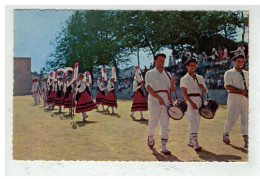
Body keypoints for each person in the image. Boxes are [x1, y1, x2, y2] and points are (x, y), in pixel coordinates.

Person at [145, 53, 176, 155]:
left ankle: (164, 146)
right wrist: (158, 98)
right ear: (155, 61)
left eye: (163, 60)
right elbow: (148, 88)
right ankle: (150, 136)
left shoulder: (167, 74)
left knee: (165, 122)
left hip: (166, 99)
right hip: (154, 99)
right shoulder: (149, 73)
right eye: (160, 60)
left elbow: (172, 89)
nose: (162, 62)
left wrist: (172, 84)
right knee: (153, 120)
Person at [180, 57, 208, 151]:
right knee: (193, 122)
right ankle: (196, 143)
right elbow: (184, 92)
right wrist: (191, 103)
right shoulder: (184, 79)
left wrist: (202, 87)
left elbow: (205, 91)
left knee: (197, 122)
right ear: (187, 66)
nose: (193, 67)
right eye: (191, 65)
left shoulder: (200, 78)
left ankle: (190, 141)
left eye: (194, 65)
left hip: (199, 100)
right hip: (189, 101)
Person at [223, 54, 248, 148]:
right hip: (234, 97)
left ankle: (246, 138)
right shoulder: (229, 73)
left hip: (245, 98)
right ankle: (226, 133)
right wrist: (241, 91)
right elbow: (228, 87)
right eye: (239, 61)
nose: (241, 63)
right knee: (232, 117)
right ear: (234, 62)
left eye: (242, 61)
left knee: (245, 119)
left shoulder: (246, 73)